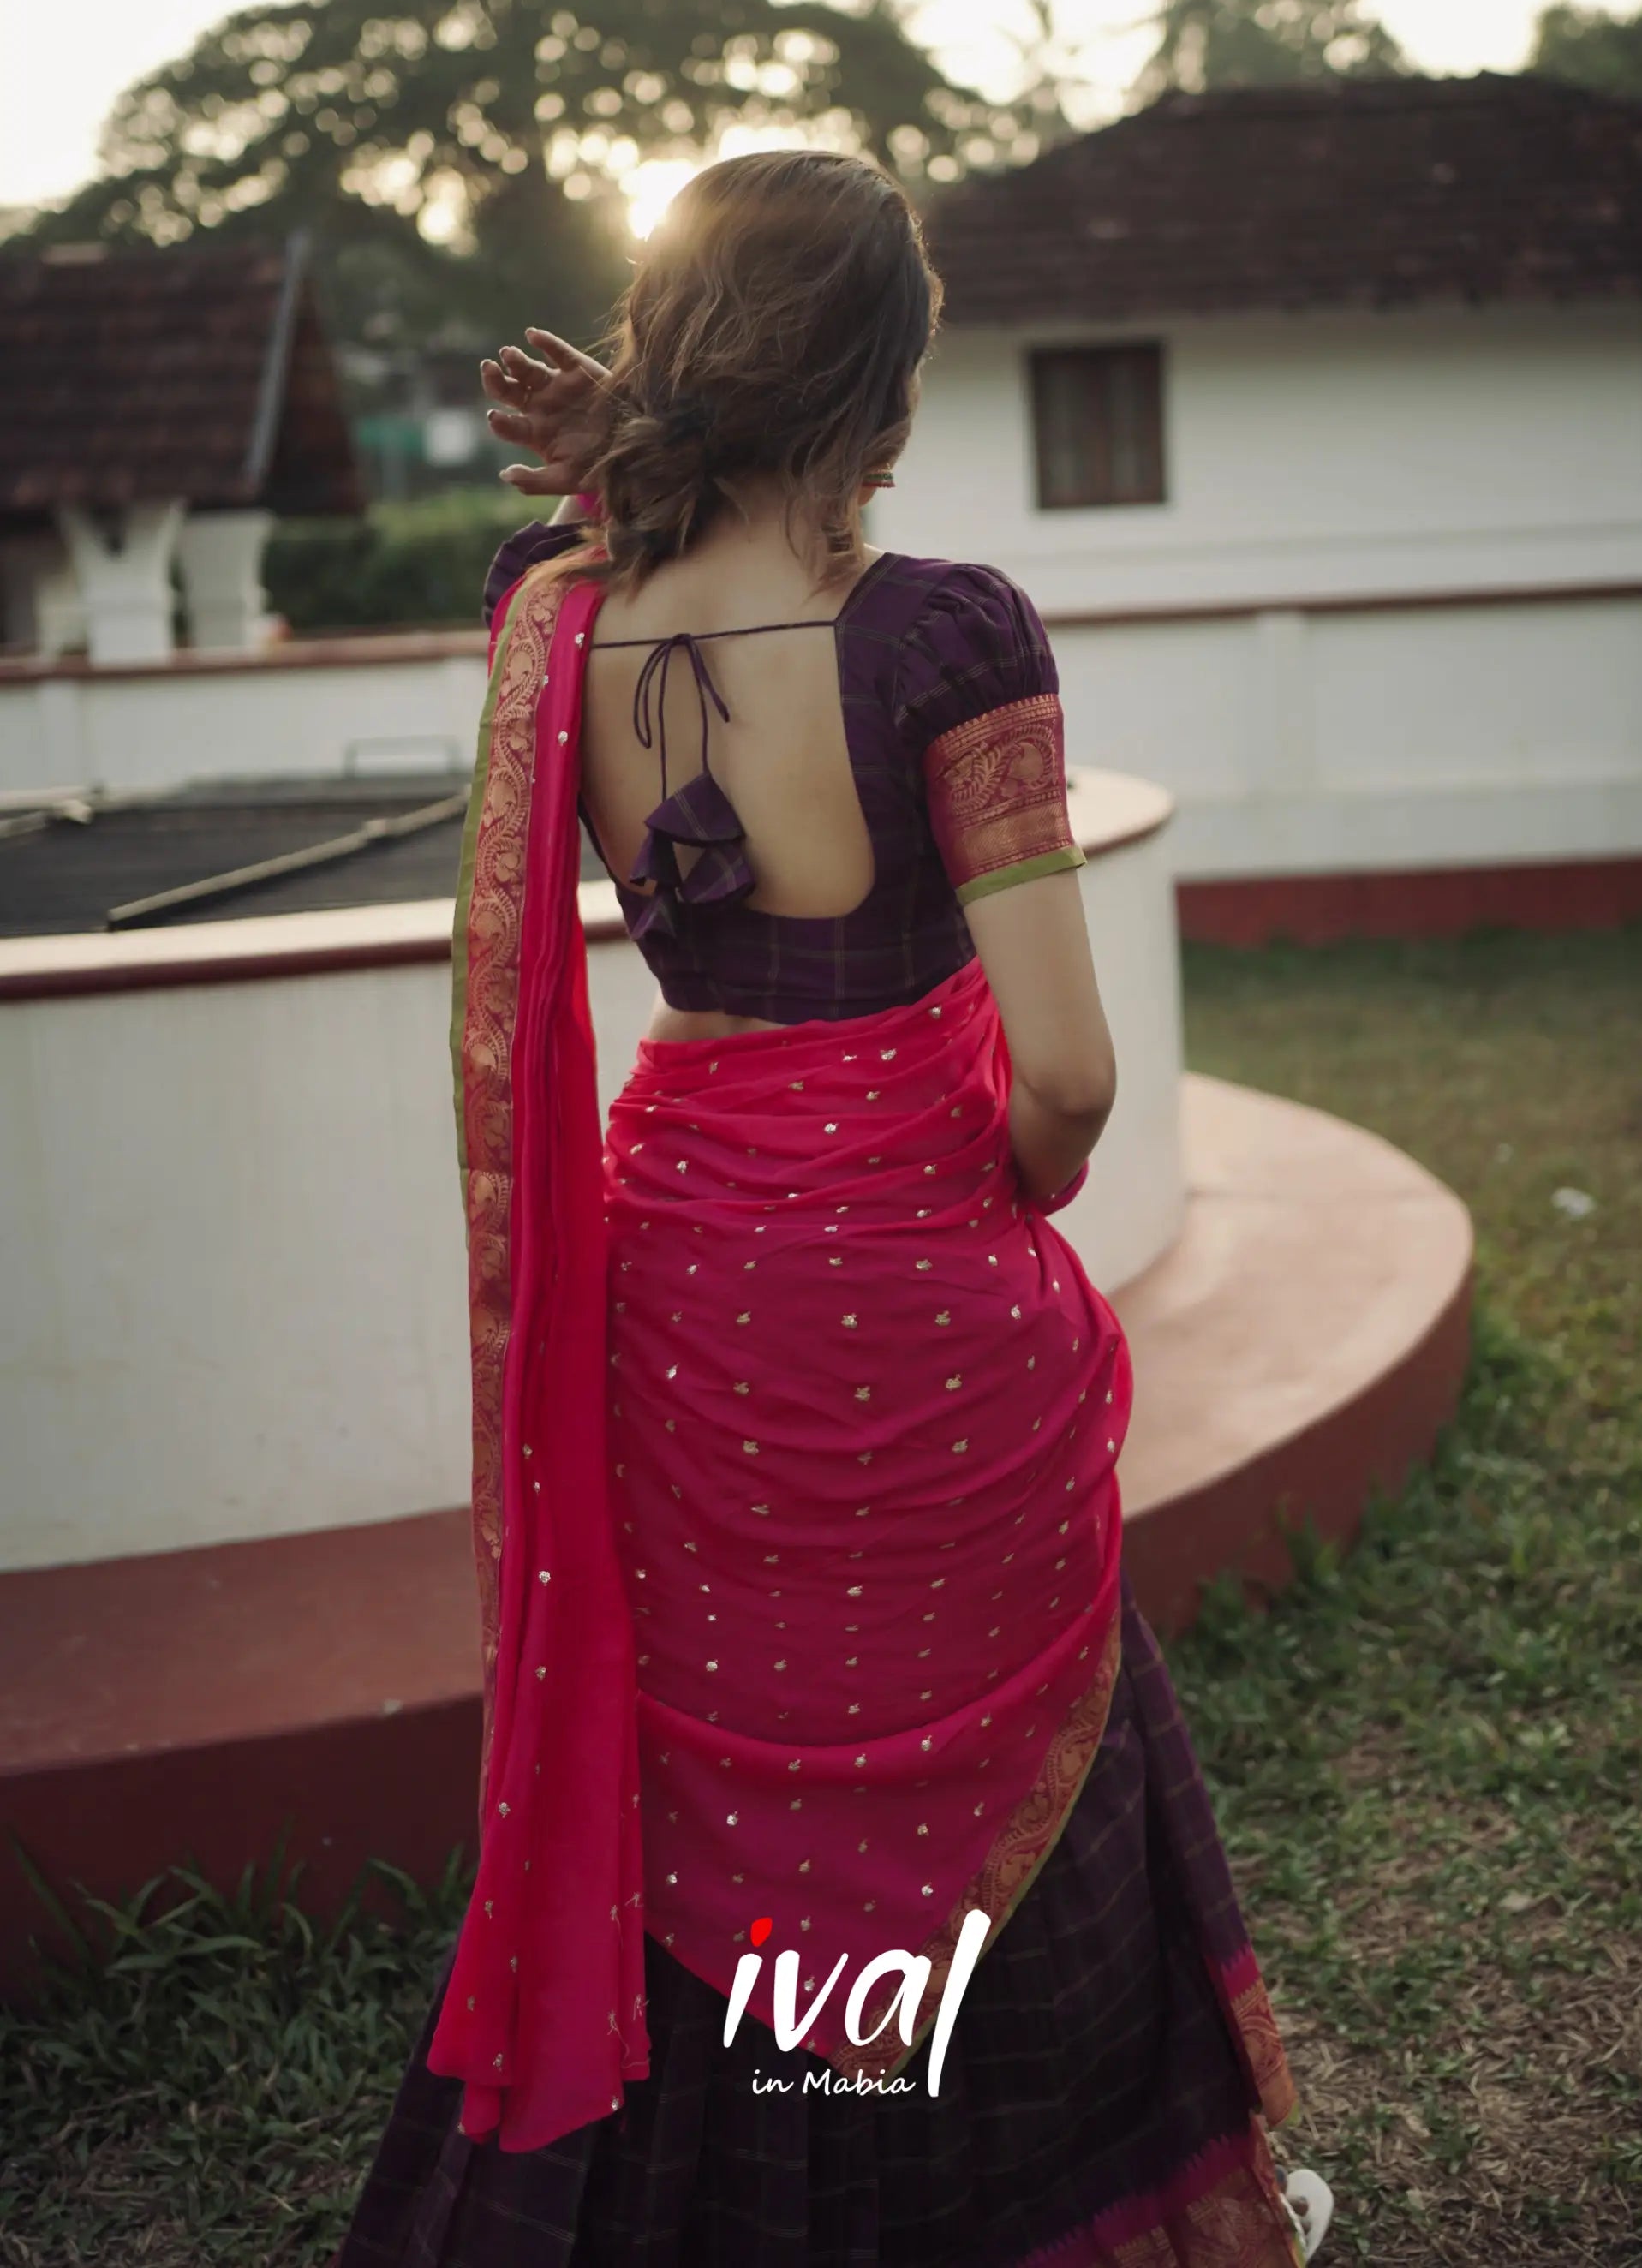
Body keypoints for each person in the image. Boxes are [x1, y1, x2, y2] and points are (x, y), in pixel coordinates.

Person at [334, 150, 1333, 2267]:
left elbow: (642, 524)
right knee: (993, 1797)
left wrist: (641, 440)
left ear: (666, 349)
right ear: (886, 382)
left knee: (740, 1802)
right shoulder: (942, 639)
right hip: (920, 1304)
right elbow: (1062, 1076)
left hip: (678, 1297)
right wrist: (1006, 1200)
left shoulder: (559, 614)